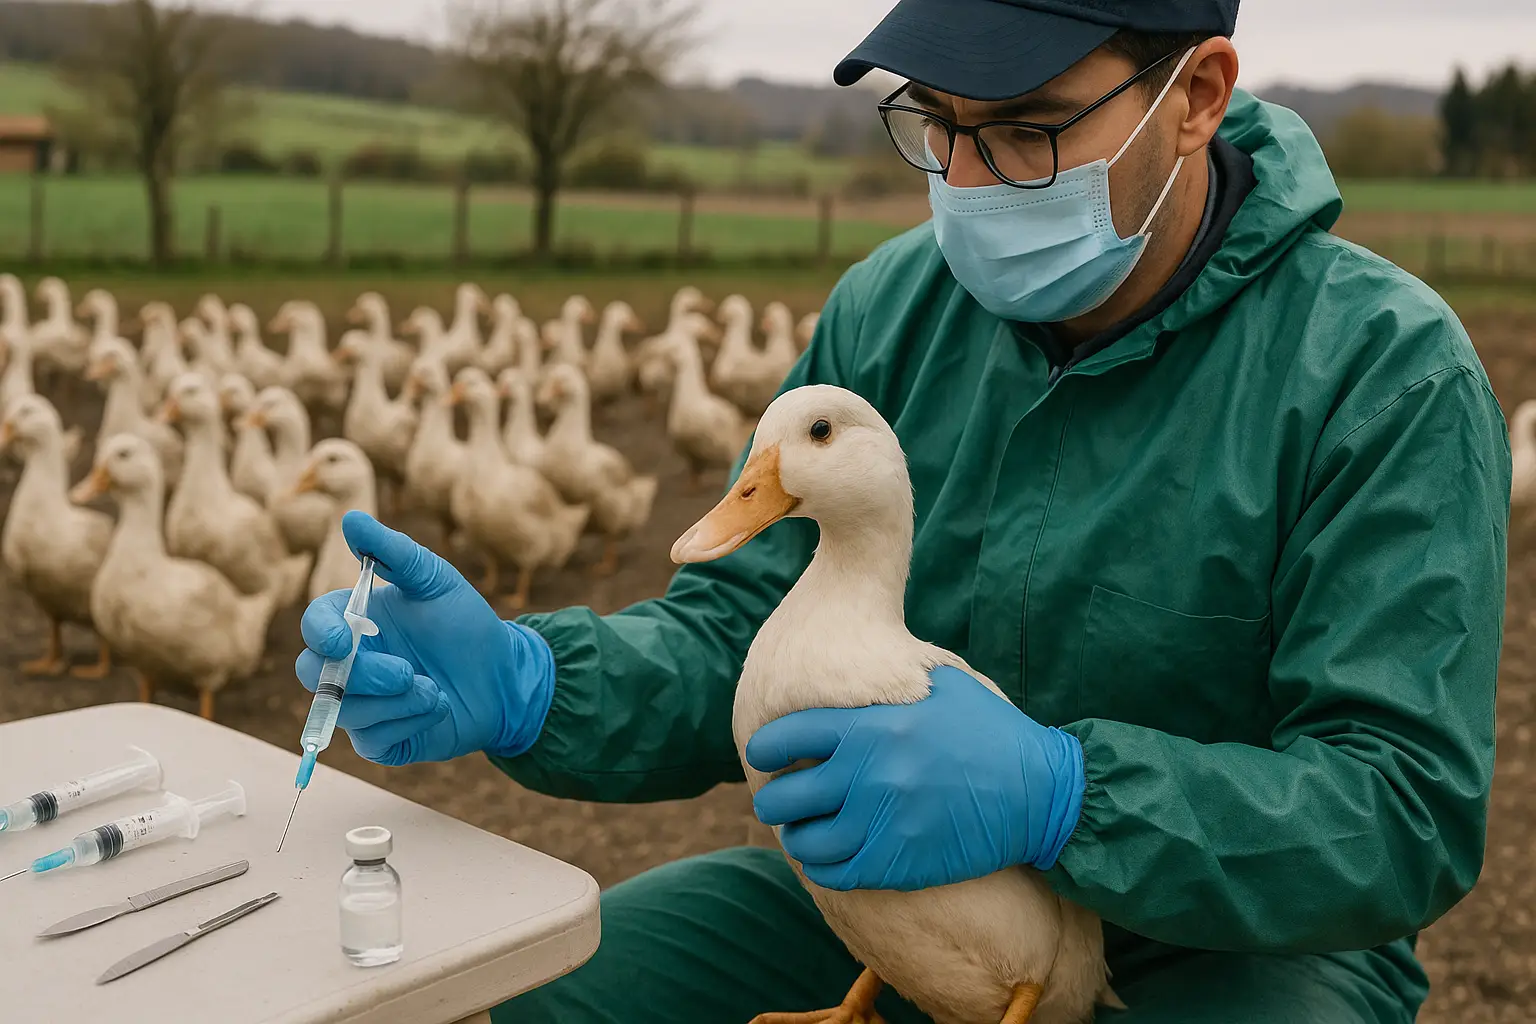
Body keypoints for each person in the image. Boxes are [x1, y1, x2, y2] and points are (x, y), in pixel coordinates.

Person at [297, 1, 1509, 1021]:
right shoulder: (888, 312)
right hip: (880, 901)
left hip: (1233, 941)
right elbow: (739, 627)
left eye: (1026, 133)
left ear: (1195, 95)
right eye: (936, 122)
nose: (969, 180)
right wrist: (534, 680)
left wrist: (1067, 791)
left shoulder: (1382, 374)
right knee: (542, 991)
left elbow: (1399, 807)